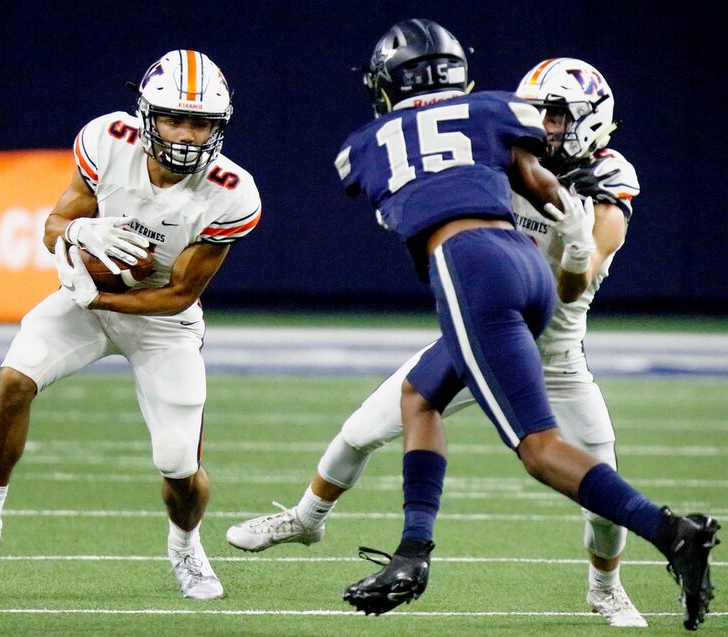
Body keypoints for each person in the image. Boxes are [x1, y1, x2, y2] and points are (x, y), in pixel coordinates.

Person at [230, 20, 719, 630]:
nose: (546, 127)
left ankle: (607, 586)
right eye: (540, 114)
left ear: (593, 119)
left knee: (587, 481)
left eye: (560, 117)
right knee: (365, 428)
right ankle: (307, 518)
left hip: (556, 353)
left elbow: (579, 278)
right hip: (482, 326)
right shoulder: (507, 146)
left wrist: (571, 244)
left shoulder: (609, 182)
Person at [0, 49, 262, 601]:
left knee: (178, 463)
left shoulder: (232, 192)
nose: (186, 134)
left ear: (217, 127)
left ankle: (185, 547)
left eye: (199, 122)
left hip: (159, 321)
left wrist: (96, 293)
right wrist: (81, 237)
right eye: (174, 118)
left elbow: (178, 295)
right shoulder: (108, 139)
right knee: (12, 383)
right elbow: (54, 225)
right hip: (87, 303)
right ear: (147, 114)